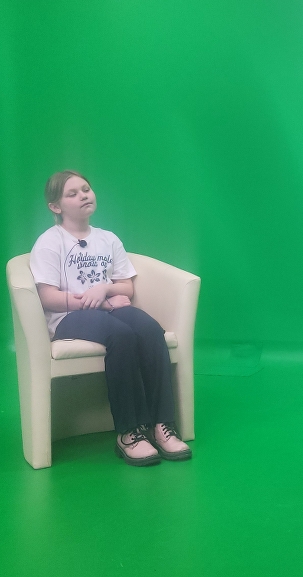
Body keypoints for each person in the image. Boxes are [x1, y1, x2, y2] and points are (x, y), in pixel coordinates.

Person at [29, 170, 192, 466]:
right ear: (55, 206)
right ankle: (129, 432)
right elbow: (48, 296)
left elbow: (126, 286)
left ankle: (162, 425)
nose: (83, 196)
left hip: (109, 307)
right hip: (68, 317)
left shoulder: (107, 239)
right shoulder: (49, 242)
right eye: (72, 194)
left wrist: (104, 288)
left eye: (86, 189)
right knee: (121, 335)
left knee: (150, 329)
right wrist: (96, 302)